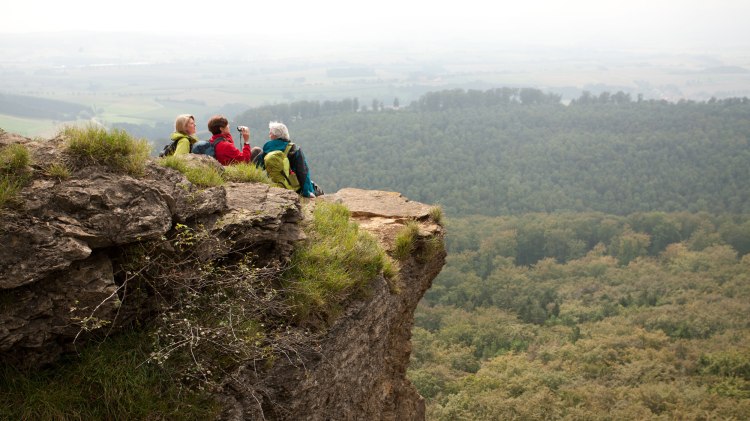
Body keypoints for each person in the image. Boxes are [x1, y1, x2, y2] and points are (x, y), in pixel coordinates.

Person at [257, 121, 318, 198]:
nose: (269, 135)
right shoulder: (294, 149)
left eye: (270, 133)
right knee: (317, 189)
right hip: (294, 189)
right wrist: (307, 192)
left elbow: (258, 168)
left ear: (274, 135)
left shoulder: (266, 150)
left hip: (272, 187)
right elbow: (303, 172)